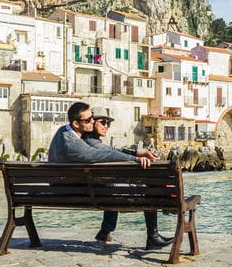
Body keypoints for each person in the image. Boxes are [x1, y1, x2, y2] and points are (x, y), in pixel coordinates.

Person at [48, 102, 173, 249]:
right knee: (148, 188)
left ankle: (106, 230)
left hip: (70, 190)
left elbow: (110, 150)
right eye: (91, 120)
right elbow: (105, 153)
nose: (94, 121)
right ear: (76, 123)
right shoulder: (76, 145)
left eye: (94, 119)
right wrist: (136, 159)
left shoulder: (63, 131)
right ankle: (154, 233)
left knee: (111, 186)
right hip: (83, 193)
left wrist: (137, 154)